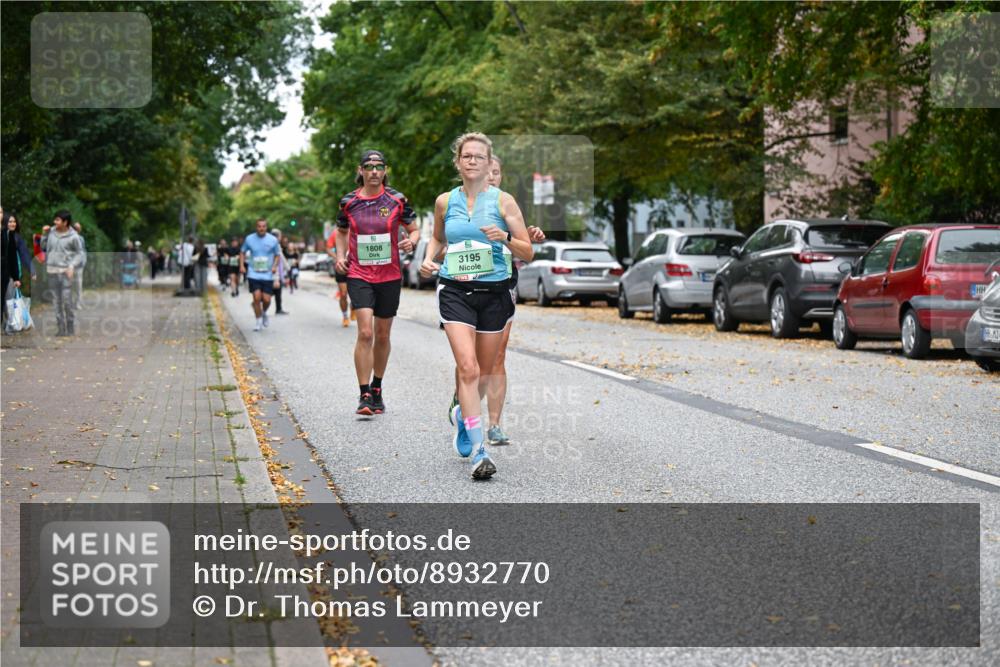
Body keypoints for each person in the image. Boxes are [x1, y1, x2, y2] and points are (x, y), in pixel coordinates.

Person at [420, 133, 532, 480]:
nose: (471, 161)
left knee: (483, 372)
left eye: (478, 157)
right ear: (458, 162)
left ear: (488, 164)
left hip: (495, 292)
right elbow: (438, 236)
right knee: (467, 369)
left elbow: (528, 251)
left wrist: (506, 239)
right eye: (466, 156)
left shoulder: (504, 202)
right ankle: (479, 449)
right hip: (455, 290)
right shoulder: (444, 201)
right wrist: (428, 258)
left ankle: (462, 420)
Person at [444, 156, 546, 446]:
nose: (490, 177)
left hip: (500, 288)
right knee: (469, 361)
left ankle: (495, 424)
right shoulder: (457, 205)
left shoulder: (505, 205)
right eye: (486, 173)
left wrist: (530, 236)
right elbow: (446, 244)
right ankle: (462, 399)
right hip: (463, 289)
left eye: (496, 173)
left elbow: (522, 243)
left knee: (496, 356)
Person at [334, 149, 419, 415]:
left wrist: (411, 241)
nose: (373, 171)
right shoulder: (348, 202)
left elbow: (414, 229)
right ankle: (364, 395)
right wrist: (339, 256)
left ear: (385, 170)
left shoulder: (397, 199)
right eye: (368, 167)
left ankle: (377, 387)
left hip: (390, 275)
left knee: (382, 335)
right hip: (359, 274)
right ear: (360, 171)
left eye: (378, 167)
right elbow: (341, 231)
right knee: (366, 333)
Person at [41, 210, 84, 336]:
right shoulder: (51, 232)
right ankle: (60, 328)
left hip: (66, 272)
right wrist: (44, 234)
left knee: (66, 300)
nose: (55, 222)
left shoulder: (74, 236)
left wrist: (71, 266)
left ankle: (70, 326)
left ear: (65, 222)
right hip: (52, 271)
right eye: (55, 219)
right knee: (56, 301)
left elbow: (80, 254)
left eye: (58, 220)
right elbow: (43, 247)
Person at [239, 219, 281, 332]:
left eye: (263, 226)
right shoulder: (249, 239)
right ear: (256, 227)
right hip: (253, 273)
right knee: (257, 298)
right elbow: (242, 252)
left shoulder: (273, 240)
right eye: (259, 226)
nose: (261, 228)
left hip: (267, 274)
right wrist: (242, 265)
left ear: (266, 227)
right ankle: (258, 321)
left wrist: (274, 266)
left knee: (266, 299)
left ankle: (263, 313)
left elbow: (277, 255)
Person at [326, 228, 353, 327]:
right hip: (341, 266)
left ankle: (353, 307)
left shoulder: (357, 227)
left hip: (355, 266)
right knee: (343, 293)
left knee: (356, 293)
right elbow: (328, 248)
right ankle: (345, 317)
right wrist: (338, 257)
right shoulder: (336, 232)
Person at [1, 209, 23, 327]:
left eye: (0, 212)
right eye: (10, 222)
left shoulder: (10, 235)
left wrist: (16, 278)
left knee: (7, 300)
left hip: (6, 274)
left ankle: (10, 324)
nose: (12, 224)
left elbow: (13, 258)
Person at [271, 229, 289, 315]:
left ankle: (278, 308)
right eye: (280, 236)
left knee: (277, 291)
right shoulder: (275, 246)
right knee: (274, 291)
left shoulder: (275, 245)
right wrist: (288, 267)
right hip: (275, 272)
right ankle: (278, 309)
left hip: (276, 272)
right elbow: (281, 258)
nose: (281, 238)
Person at [72, 222, 87, 309]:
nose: (77, 230)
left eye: (78, 228)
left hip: (79, 266)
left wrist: (83, 262)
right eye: (76, 228)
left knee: (78, 285)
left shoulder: (81, 239)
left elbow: (83, 252)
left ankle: (77, 303)